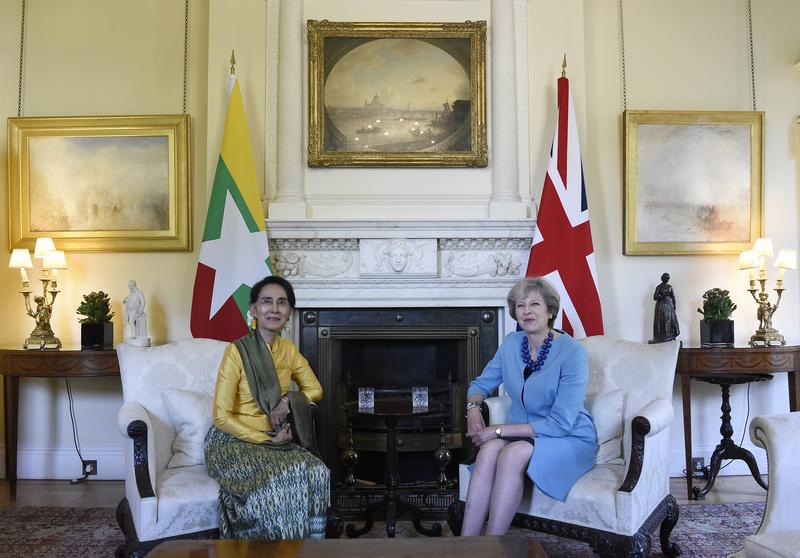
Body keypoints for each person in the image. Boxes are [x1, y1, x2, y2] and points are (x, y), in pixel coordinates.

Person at [461, 276, 597, 536]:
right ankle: (466, 545)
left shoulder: (572, 353)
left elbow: (560, 423)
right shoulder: (513, 344)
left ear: (550, 311)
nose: (527, 311)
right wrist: (473, 409)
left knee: (511, 453)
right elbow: (479, 384)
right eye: (520, 306)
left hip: (567, 436)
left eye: (535, 304)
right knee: (488, 451)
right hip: (524, 433)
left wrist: (498, 430)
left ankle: (491, 548)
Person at [204, 276, 329, 540]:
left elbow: (315, 390)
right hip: (232, 440)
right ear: (253, 310)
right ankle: (277, 548)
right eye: (267, 302)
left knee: (318, 472)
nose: (274, 309)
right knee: (285, 478)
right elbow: (221, 416)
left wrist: (286, 401)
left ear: (289, 312)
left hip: (277, 438)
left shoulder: (289, 350)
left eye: (282, 303)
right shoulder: (236, 352)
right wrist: (264, 440)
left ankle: (312, 548)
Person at [651, 273, 680, 343]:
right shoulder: (659, 287)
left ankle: (670, 336)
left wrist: (674, 305)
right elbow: (655, 297)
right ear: (662, 278)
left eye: (668, 278)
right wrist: (661, 296)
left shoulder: (670, 287)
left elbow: (673, 297)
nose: (667, 279)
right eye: (666, 278)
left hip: (669, 306)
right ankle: (661, 336)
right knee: (661, 320)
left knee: (670, 320)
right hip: (661, 306)